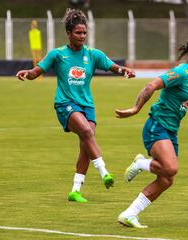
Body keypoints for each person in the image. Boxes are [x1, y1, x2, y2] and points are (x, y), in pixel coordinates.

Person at [16, 8, 135, 203]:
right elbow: (37, 71)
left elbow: (113, 66)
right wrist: (27, 74)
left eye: (84, 33)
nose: (82, 36)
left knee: (86, 145)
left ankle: (75, 190)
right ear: (69, 33)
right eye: (78, 33)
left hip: (87, 105)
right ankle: (104, 172)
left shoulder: (92, 54)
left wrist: (124, 71)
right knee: (88, 133)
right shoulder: (57, 54)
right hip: (65, 104)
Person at [115, 39, 188, 228]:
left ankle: (129, 214)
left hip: (171, 132)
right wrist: (136, 108)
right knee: (171, 168)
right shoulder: (181, 72)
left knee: (167, 179)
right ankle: (141, 163)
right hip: (157, 125)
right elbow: (151, 85)